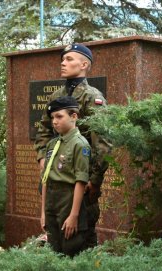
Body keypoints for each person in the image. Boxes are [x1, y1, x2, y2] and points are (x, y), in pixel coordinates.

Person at [35, 43, 111, 248]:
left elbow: (102, 143)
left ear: (84, 64)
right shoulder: (56, 96)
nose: (63, 62)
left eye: (69, 59)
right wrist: (43, 157)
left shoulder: (92, 97)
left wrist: (94, 180)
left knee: (80, 236)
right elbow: (43, 129)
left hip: (80, 176)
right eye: (63, 59)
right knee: (56, 237)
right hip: (57, 175)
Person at [40, 95, 91, 256]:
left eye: (59, 116)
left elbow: (80, 182)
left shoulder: (80, 144)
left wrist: (74, 215)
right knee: (53, 253)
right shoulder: (52, 144)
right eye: (53, 117)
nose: (54, 121)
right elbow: (46, 178)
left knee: (70, 250)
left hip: (68, 203)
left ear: (74, 116)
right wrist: (43, 213)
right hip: (51, 205)